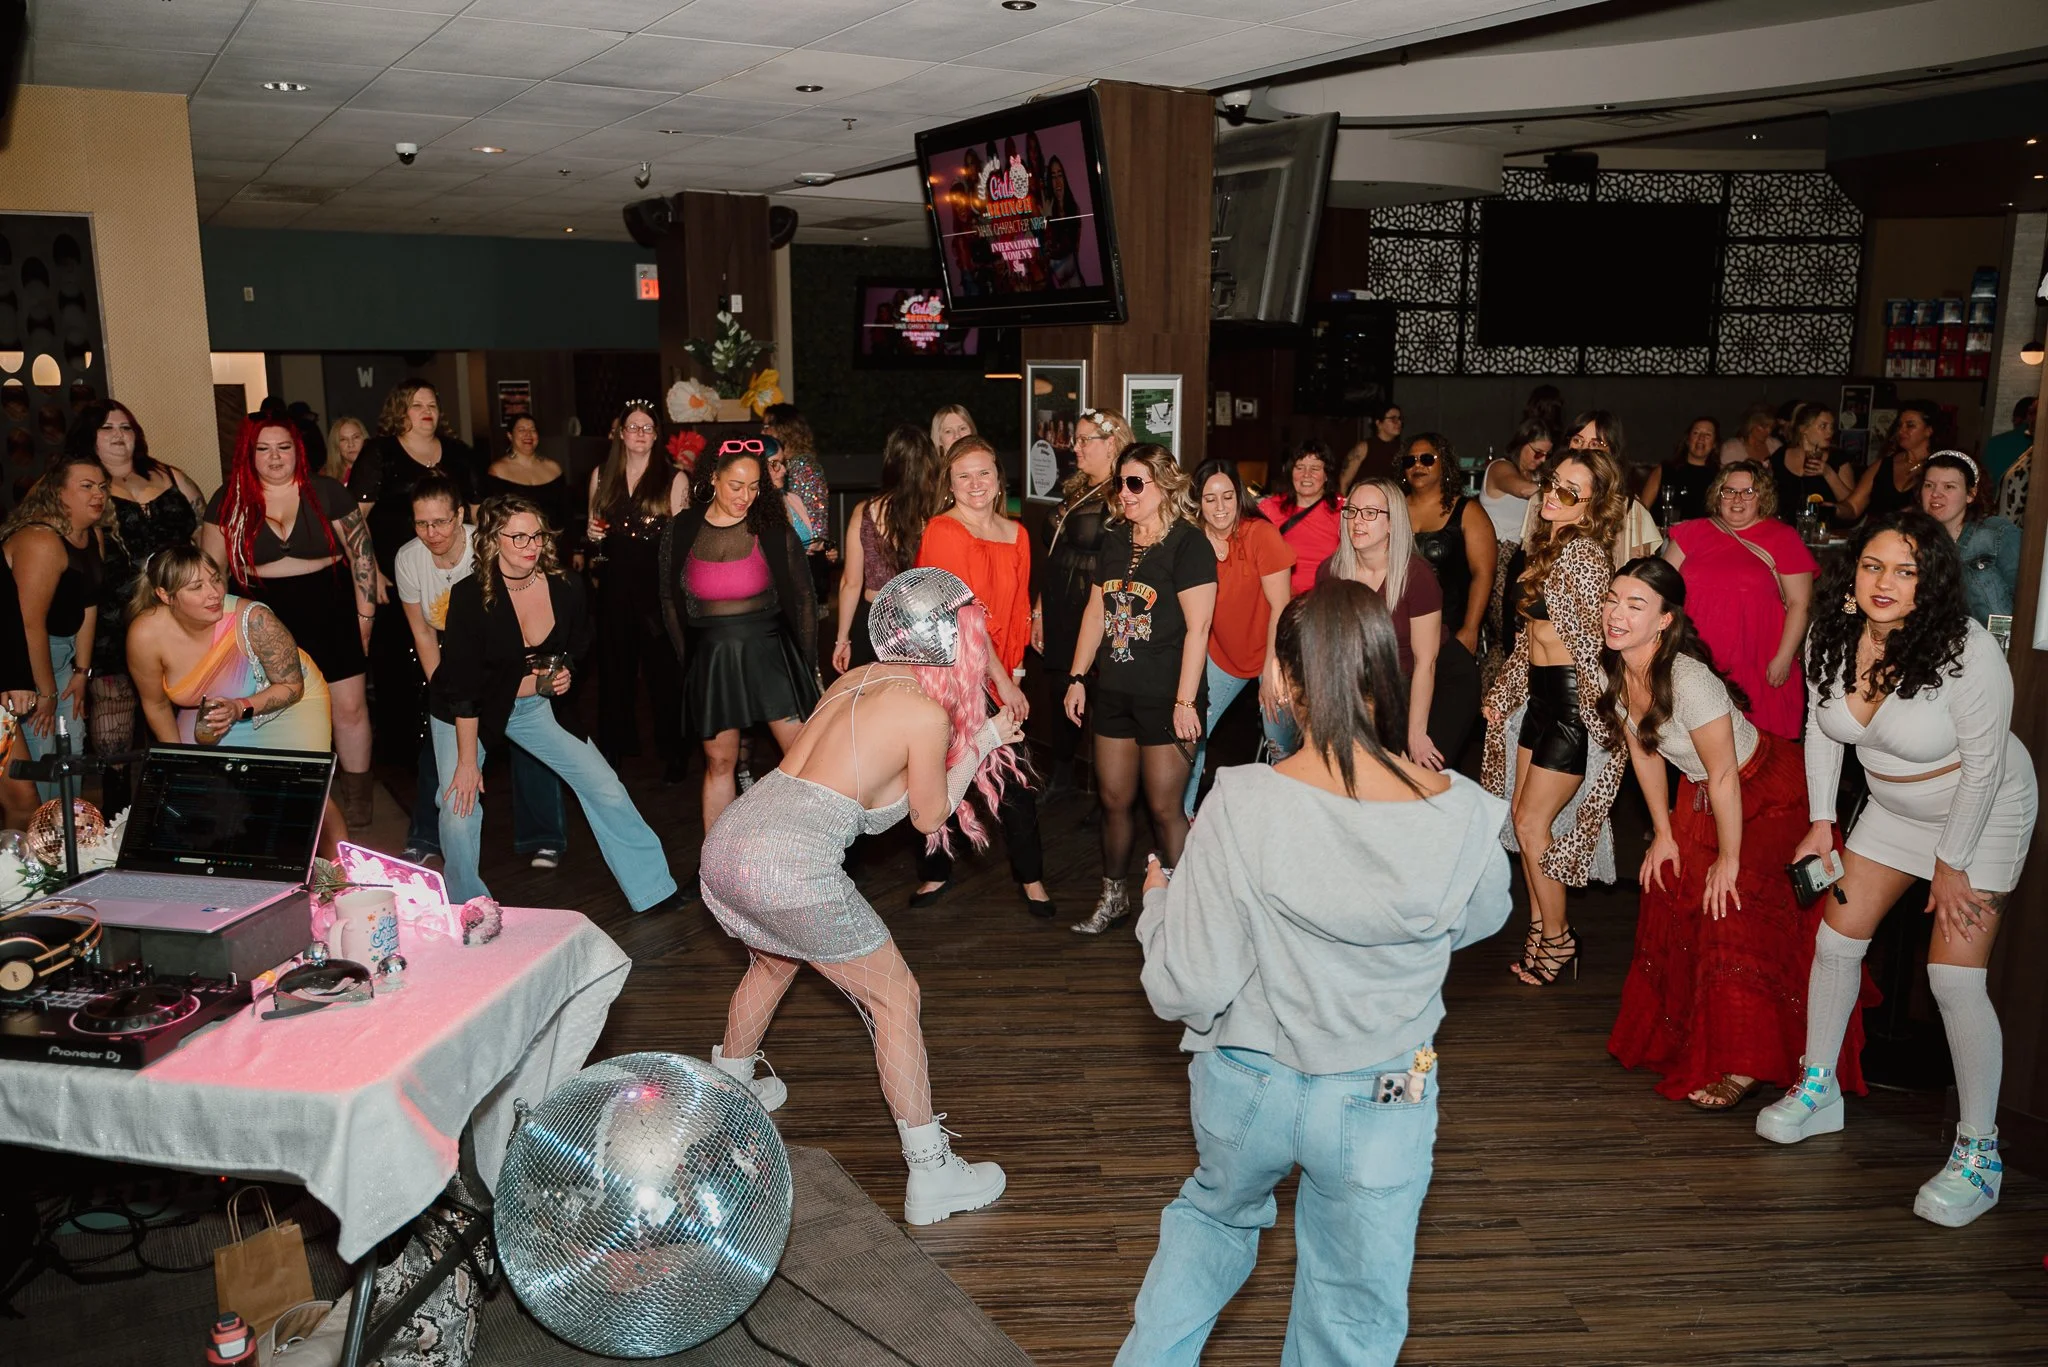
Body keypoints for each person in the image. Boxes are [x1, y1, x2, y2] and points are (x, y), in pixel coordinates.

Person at [1117, 582, 1511, 1367]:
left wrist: (1157, 907)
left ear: (1289, 684)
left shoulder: (1244, 800)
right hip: (1384, 1095)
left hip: (1247, 1082)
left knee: (1212, 1222)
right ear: (1384, 673)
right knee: (1353, 1310)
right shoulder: (1465, 812)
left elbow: (1185, 984)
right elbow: (1486, 916)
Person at [701, 569, 1019, 1224]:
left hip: (731, 839)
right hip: (791, 863)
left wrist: (975, 741)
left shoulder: (856, 680)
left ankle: (725, 1100)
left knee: (773, 960)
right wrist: (982, 741)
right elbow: (928, 818)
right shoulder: (926, 712)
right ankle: (932, 1175)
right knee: (896, 996)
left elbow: (869, 811)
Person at [1759, 513, 2037, 1229]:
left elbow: (1983, 766)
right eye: (1873, 566)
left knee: (1953, 976)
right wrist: (1823, 819)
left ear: (1932, 581)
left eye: (1905, 570)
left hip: (1984, 811)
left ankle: (1980, 1153)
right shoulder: (1832, 633)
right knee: (1836, 939)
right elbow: (1824, 732)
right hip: (1891, 807)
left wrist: (1953, 863)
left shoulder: (1968, 651)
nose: (1884, 583)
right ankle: (1820, 1089)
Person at [1599, 558, 1870, 1110]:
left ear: (1665, 620)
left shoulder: (1688, 679)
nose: (1616, 614)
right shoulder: (1618, 670)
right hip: (1701, 795)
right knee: (1670, 887)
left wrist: (1729, 858)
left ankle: (1746, 1064)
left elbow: (1725, 774)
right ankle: (1694, 1039)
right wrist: (1663, 835)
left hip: (1763, 793)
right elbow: (1644, 753)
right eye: (1611, 599)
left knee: (1733, 906)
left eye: (1634, 605)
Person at [432, 496, 677, 911]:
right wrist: (468, 763)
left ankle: (654, 889)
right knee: (459, 805)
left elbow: (579, 647)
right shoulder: (470, 596)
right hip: (465, 714)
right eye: (519, 536)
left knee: (605, 787)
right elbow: (466, 689)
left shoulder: (565, 586)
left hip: (535, 707)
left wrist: (566, 674)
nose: (531, 545)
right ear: (494, 540)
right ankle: (468, 907)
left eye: (537, 535)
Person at [1481, 446, 1630, 987]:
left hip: (1571, 705)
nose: (1553, 493)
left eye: (1569, 490)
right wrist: (1505, 691)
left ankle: (1561, 938)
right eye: (1552, 483)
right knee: (1523, 823)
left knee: (1530, 822)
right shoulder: (1549, 545)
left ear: (1592, 505)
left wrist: (1604, 720)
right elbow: (1532, 639)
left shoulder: (1585, 555)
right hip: (1538, 700)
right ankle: (1542, 929)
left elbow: (1595, 641)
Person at [1064, 445, 1216, 935]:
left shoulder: (1190, 545)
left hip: (1167, 697)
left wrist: (1186, 702)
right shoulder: (1113, 540)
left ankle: (1192, 915)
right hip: (1115, 692)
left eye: (1135, 484)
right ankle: (1114, 898)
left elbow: (1199, 629)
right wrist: (1077, 676)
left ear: (1164, 486)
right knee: (1113, 799)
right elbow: (1096, 611)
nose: (1124, 495)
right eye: (1120, 484)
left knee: (1165, 808)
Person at [202, 417, 379, 828]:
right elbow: (211, 573)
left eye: (283, 447)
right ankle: (297, 795)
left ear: (298, 450)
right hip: (263, 614)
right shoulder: (228, 499)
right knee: (279, 708)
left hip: (330, 604)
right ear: (249, 454)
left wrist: (365, 616)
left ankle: (358, 801)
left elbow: (363, 557)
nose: (275, 457)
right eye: (263, 449)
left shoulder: (328, 490)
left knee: (349, 708)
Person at [124, 545, 346, 857]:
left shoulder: (254, 619)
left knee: (304, 789)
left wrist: (239, 707)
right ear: (164, 595)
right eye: (196, 587)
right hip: (209, 708)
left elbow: (292, 686)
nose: (214, 593)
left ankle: (342, 878)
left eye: (216, 580)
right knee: (201, 791)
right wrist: (179, 763)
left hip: (287, 702)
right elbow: (156, 704)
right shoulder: (145, 635)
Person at [395, 472, 566, 871]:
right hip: (452, 663)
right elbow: (422, 632)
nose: (431, 532)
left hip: (507, 661)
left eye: (440, 521)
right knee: (437, 749)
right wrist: (447, 690)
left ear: (459, 516)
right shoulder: (408, 558)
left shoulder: (487, 545)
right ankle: (424, 836)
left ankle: (544, 837)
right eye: (422, 523)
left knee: (533, 745)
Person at [909, 436, 1050, 913]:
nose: (975, 484)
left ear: (998, 479)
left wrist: (1016, 671)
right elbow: (963, 615)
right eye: (963, 475)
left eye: (983, 473)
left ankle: (1031, 878)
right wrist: (1002, 683)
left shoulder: (1019, 534)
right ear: (949, 484)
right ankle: (935, 871)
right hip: (953, 671)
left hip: (1002, 670)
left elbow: (1017, 610)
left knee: (1013, 777)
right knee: (947, 768)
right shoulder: (943, 531)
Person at [660, 440, 819, 844]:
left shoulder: (772, 529)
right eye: (736, 485)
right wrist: (689, 664)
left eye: (753, 487)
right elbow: (668, 602)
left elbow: (803, 598)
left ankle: (813, 850)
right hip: (713, 660)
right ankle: (718, 861)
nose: (745, 497)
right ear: (713, 479)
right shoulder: (681, 530)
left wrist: (806, 663)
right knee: (719, 762)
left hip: (770, 654)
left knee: (804, 759)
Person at [69, 401, 203, 812]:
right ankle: (115, 828)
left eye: (125, 427)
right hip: (114, 627)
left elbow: (202, 533)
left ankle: (184, 814)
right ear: (89, 437)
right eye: (106, 428)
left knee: (183, 727)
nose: (118, 435)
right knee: (116, 743)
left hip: (180, 622)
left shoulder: (167, 474)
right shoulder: (85, 486)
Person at [349, 379, 478, 769]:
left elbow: (476, 511)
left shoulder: (458, 453)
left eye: (433, 404)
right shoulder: (380, 452)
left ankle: (470, 735)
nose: (427, 411)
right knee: (398, 663)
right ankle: (408, 754)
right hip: (396, 576)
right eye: (416, 404)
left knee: (465, 648)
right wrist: (373, 573)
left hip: (455, 573)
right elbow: (356, 520)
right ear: (399, 411)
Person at [1325, 475, 1472, 770]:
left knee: (1418, 776)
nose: (1357, 521)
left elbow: (1425, 661)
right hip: (1382, 684)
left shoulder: (1417, 576)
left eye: (1370, 513)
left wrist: (1415, 735)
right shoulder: (1332, 572)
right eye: (1351, 511)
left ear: (1392, 523)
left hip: (1438, 678)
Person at [1661, 461, 1816, 741]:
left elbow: (1799, 604)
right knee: (1696, 747)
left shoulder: (1783, 538)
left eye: (1748, 492)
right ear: (1717, 495)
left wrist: (1783, 658)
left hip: (1757, 660)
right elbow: (1661, 591)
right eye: (1729, 491)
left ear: (1763, 497)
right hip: (1697, 659)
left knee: (1760, 754)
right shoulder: (1690, 533)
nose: (1737, 499)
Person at [0, 454, 111, 821]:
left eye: (102, 486)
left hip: (65, 655)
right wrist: (45, 692)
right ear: (58, 492)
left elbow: (89, 605)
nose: (98, 494)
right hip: (28, 656)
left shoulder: (92, 535)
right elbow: (29, 624)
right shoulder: (41, 540)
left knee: (72, 748)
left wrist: (82, 672)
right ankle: (43, 845)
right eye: (86, 486)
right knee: (44, 752)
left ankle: (68, 838)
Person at [584, 400, 689, 780]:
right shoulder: (601, 475)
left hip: (656, 591)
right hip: (614, 588)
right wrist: (592, 535)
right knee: (613, 672)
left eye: (648, 427)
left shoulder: (674, 479)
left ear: (657, 434)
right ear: (621, 434)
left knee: (664, 675)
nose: (641, 433)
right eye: (634, 427)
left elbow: (682, 546)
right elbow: (594, 536)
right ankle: (614, 745)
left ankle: (673, 752)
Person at [1182, 460, 1294, 815]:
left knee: (1281, 744)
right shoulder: (1191, 540)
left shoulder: (1260, 534)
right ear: (1198, 501)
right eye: (1210, 498)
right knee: (1190, 733)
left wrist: (1271, 670)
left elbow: (1281, 607)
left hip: (1271, 650)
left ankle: (1284, 820)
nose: (1220, 507)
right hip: (1221, 652)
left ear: (1239, 496)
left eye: (1228, 497)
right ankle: (1181, 819)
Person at [1033, 407, 1129, 796]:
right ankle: (1062, 773)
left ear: (1111, 445)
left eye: (1084, 439)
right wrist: (1038, 609)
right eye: (1076, 439)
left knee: (1101, 693)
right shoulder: (1076, 487)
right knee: (1060, 687)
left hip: (1097, 607)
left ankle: (1107, 789)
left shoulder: (1125, 492)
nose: (1075, 446)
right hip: (1059, 603)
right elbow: (1055, 552)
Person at [1402, 433, 1491, 762]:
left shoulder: (1467, 511)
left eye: (1427, 459)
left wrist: (1470, 627)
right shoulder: (1392, 507)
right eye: (1410, 461)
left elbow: (1483, 573)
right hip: (1400, 636)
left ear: (1446, 465)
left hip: (1448, 633)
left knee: (1436, 738)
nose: (1418, 466)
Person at [835, 424, 938, 673]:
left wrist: (842, 639)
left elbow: (851, 582)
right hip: (922, 625)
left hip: (873, 622)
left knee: (871, 706)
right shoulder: (936, 514)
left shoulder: (865, 511)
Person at [1919, 451, 2021, 625]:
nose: (1936, 494)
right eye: (1929, 485)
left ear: (1970, 494)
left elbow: (2031, 600)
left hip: (1999, 648)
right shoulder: (1910, 539)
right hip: (1938, 647)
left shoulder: (1996, 534)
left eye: (1949, 486)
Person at [481, 413, 575, 564]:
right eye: (521, 429)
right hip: (518, 551)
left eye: (532, 429)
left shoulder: (554, 468)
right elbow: (493, 519)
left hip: (556, 548)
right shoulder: (497, 471)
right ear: (510, 435)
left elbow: (567, 514)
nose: (528, 434)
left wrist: (576, 550)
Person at [1258, 440, 1341, 595]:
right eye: (1299, 467)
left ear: (1327, 475)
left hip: (1326, 600)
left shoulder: (1344, 511)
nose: (1306, 475)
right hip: (1281, 600)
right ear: (1290, 472)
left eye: (1315, 468)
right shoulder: (1269, 508)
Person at [1841, 398, 1939, 524]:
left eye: (1910, 425)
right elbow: (1853, 506)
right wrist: (1832, 509)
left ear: (1929, 430)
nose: (1901, 431)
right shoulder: (1884, 464)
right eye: (1900, 425)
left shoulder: (1938, 466)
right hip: (1878, 537)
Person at [761, 404, 832, 557]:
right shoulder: (792, 464)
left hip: (807, 557)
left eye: (767, 426)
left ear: (784, 429)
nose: (762, 431)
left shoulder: (803, 466)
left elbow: (816, 524)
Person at [1771, 402, 1855, 524]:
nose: (1830, 432)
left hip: (1826, 533)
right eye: (1823, 426)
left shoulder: (1837, 459)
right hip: (1786, 533)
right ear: (1803, 429)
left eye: (1831, 427)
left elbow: (1852, 506)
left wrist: (1828, 473)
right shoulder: (1780, 456)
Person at [1640, 416, 1721, 525]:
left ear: (1714, 443)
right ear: (1688, 439)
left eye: (1707, 435)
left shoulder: (1720, 477)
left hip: (1702, 537)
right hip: (1663, 535)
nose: (1701, 438)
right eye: (1696, 433)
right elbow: (1642, 509)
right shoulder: (1665, 469)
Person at [1481, 418, 1550, 545]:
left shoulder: (1537, 476)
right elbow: (1524, 490)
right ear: (1522, 444)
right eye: (1538, 453)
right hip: (1495, 547)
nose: (1543, 460)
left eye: (1547, 455)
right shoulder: (1499, 467)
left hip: (1522, 547)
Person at [1341, 401, 1403, 489]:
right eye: (1393, 419)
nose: (1398, 422)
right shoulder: (1364, 447)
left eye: (1399, 418)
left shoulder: (1401, 448)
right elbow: (1344, 481)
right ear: (1378, 423)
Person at [1981, 395, 2034, 496]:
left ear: (2016, 419)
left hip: (1996, 506)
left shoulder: (1995, 443)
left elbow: (1985, 482)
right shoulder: (2038, 445)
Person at [322, 415, 368, 485]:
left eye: (356, 437)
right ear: (336, 445)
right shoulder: (325, 478)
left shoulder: (381, 471)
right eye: (343, 439)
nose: (351, 444)